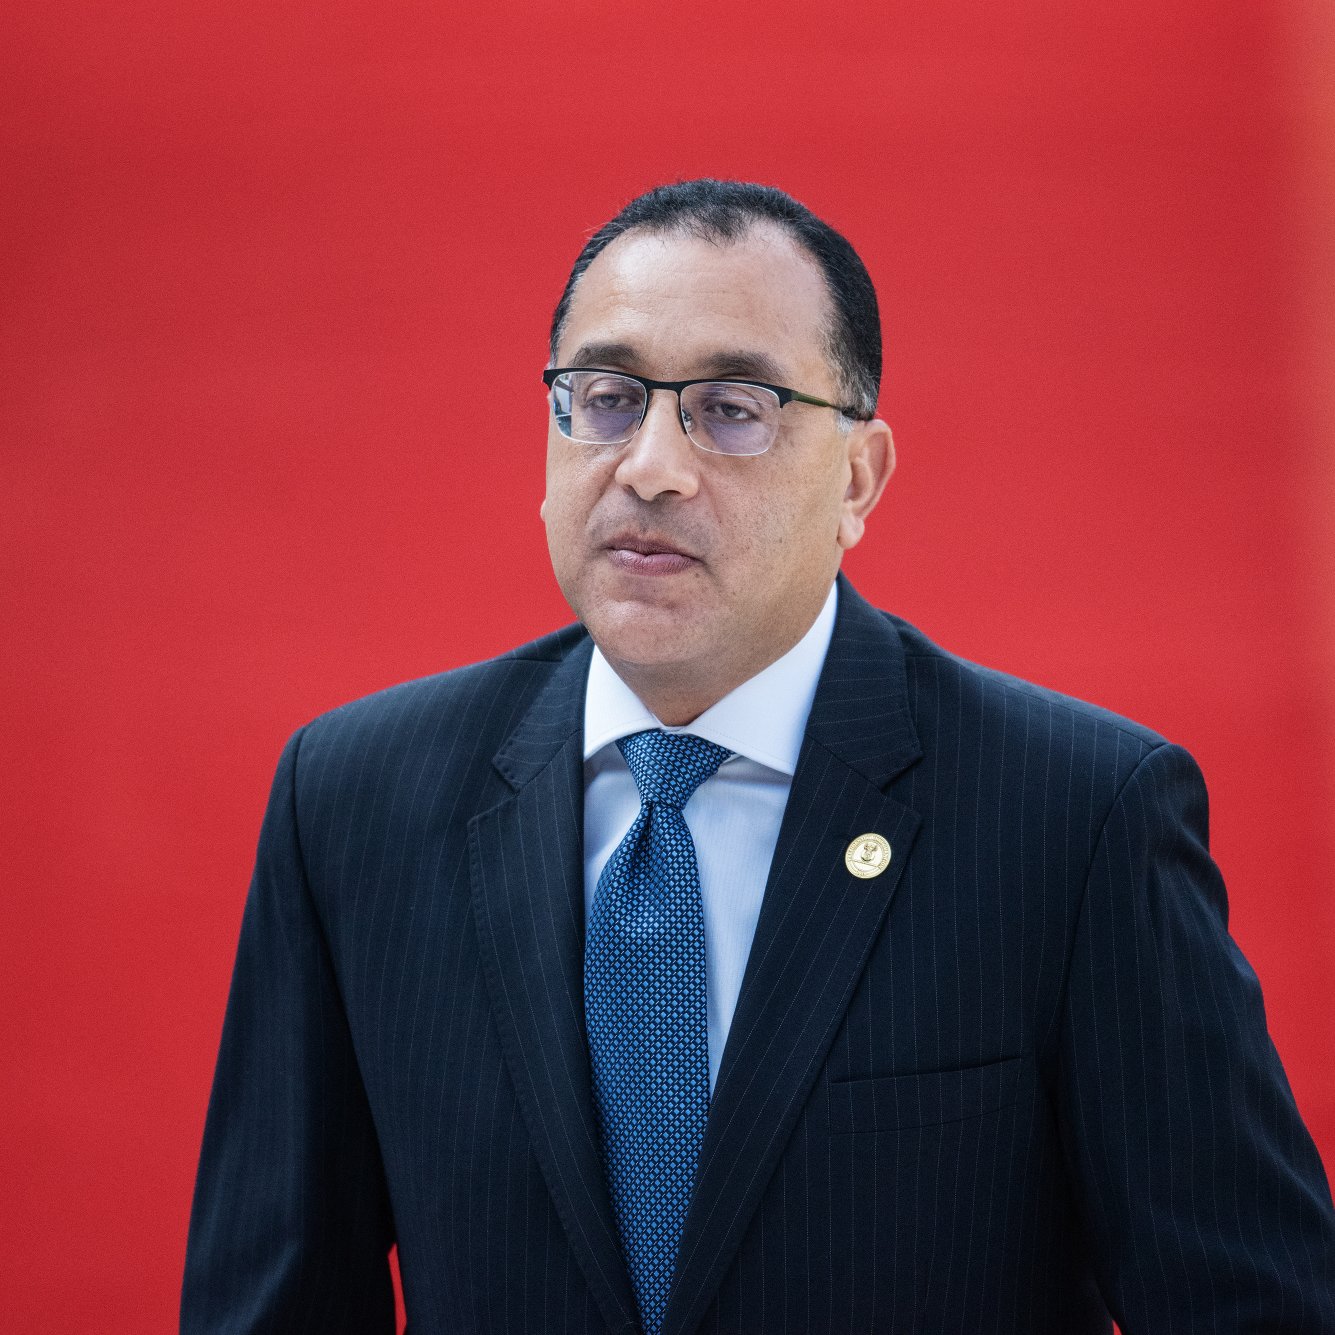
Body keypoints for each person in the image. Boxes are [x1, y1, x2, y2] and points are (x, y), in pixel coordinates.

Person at [182, 179, 1335, 1334]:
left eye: (732, 408)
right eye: (607, 397)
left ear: (856, 478)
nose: (651, 466)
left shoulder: (1075, 820)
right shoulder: (356, 802)